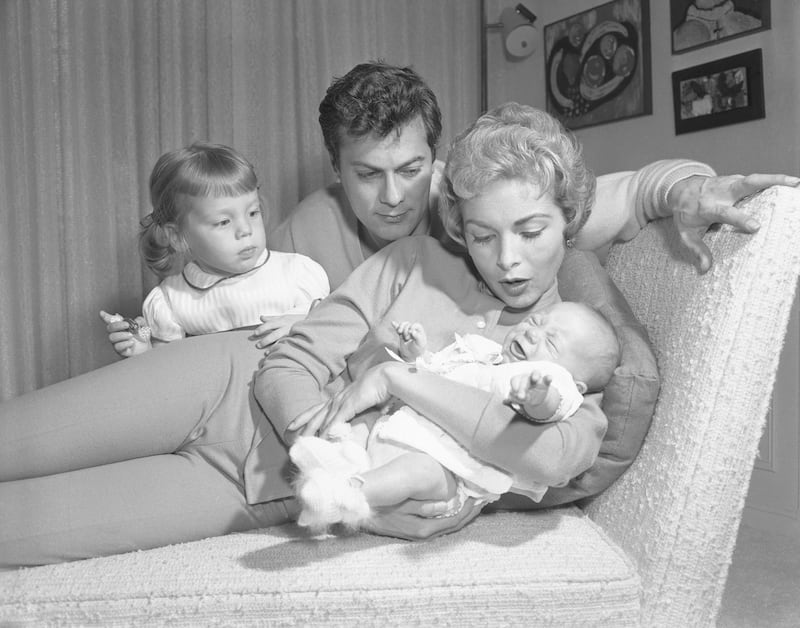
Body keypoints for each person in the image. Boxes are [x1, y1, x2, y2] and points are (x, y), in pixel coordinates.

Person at [0, 85, 795, 567]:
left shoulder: (572, 352)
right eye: (483, 236)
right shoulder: (415, 259)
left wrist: (394, 382)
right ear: (461, 221)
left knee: (21, 536)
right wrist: (312, 423)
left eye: (532, 232)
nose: (507, 261)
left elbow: (539, 454)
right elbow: (293, 358)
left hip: (259, 490)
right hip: (224, 378)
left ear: (571, 221)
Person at [268, 60, 796, 292]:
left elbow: (630, 192)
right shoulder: (302, 234)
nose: (393, 197)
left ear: (435, 156)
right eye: (366, 174)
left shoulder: (476, 199)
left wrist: (688, 189)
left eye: (412, 169)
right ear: (336, 167)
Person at [288, 301, 621, 532]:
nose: (534, 333)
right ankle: (338, 454)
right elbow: (440, 376)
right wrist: (416, 355)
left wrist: (538, 397)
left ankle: (345, 492)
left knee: (416, 472)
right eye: (536, 321)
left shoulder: (547, 377)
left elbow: (557, 401)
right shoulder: (486, 354)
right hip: (403, 427)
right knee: (368, 417)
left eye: (551, 341)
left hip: (448, 466)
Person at [100, 143, 329, 358]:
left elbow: (337, 332)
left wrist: (304, 323)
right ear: (178, 237)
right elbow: (168, 371)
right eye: (223, 222)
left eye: (252, 213)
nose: (245, 230)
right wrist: (143, 349)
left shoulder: (297, 274)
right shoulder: (171, 301)